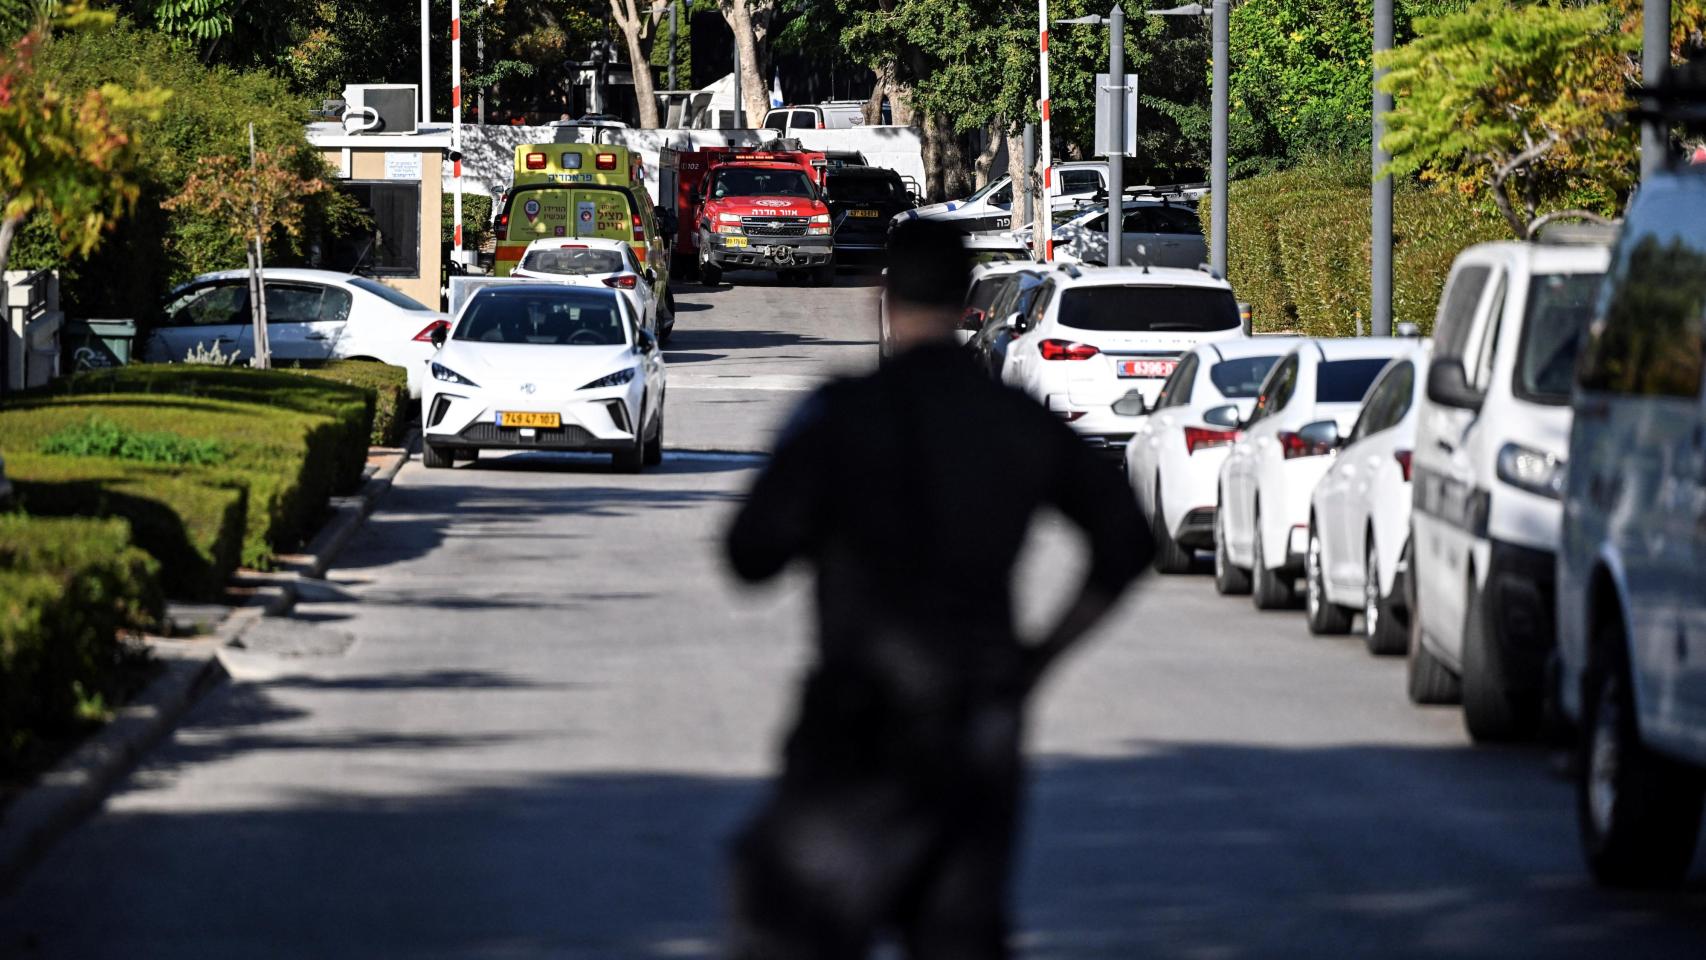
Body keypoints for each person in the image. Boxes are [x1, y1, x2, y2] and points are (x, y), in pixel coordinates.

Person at [724, 219, 1153, 959]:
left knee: (796, 925)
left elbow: (749, 554)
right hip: (979, 725)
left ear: (883, 300)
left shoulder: (839, 414)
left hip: (862, 725)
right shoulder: (1014, 421)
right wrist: (1038, 658)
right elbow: (1126, 542)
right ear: (966, 304)